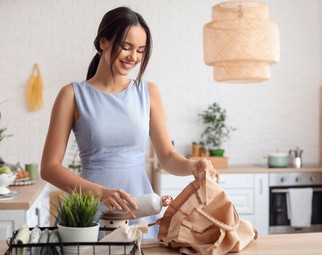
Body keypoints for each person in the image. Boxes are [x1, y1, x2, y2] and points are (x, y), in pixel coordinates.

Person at [41, 6, 219, 239]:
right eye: (126, 47)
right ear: (103, 42)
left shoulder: (148, 92)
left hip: (140, 209)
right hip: (89, 213)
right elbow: (49, 167)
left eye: (140, 51)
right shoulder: (72, 95)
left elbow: (167, 156)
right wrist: (100, 193)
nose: (133, 57)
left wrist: (192, 165)